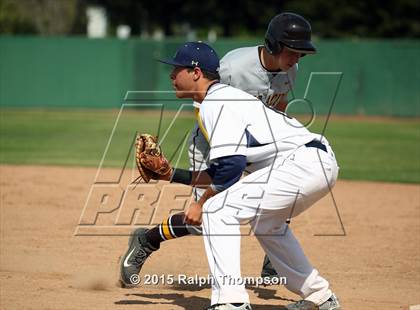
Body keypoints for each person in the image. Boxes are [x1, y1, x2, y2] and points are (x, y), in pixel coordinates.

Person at [122, 41, 341, 310]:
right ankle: (320, 296)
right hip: (314, 163)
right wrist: (170, 175)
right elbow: (220, 171)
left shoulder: (217, 101)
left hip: (302, 164)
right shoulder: (219, 99)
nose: (171, 75)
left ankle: (231, 303)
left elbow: (232, 167)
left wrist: (202, 204)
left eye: (176, 69)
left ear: (195, 72)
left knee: (216, 210)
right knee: (266, 224)